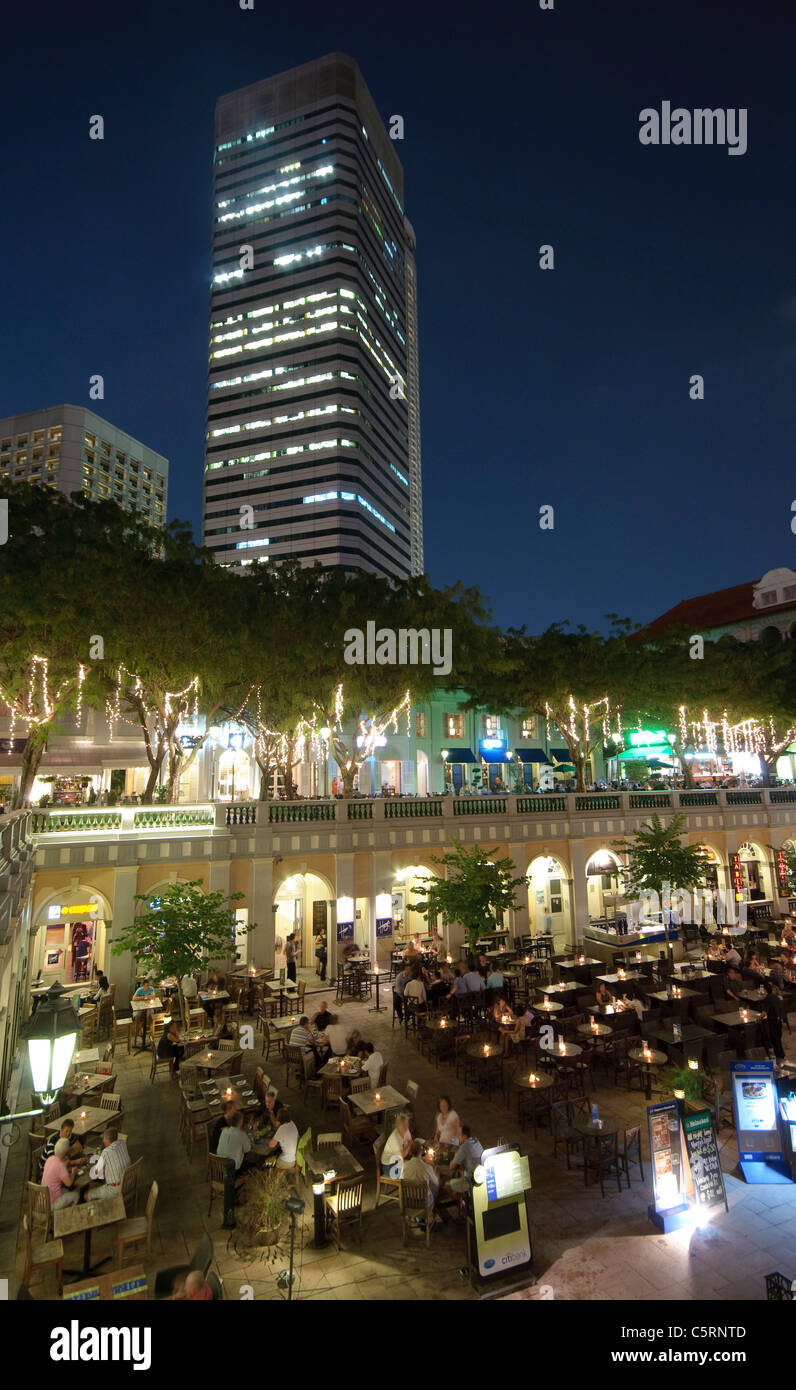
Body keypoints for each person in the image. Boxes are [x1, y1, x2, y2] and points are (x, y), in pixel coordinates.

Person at [87, 1128, 131, 1200]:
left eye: (104, 1138)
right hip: (128, 1181)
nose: (103, 1141)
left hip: (115, 1188)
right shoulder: (122, 1142)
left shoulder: (106, 1152)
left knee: (87, 1194)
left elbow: (95, 1173)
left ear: (107, 1140)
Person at [42, 1137, 81, 1209]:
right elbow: (69, 1183)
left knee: (66, 1191)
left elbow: (56, 1173)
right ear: (65, 1152)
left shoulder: (50, 1159)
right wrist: (73, 1173)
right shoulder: (60, 1165)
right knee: (76, 1195)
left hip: (44, 1198)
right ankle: (69, 1214)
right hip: (51, 1203)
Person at [402, 1140, 440, 1208]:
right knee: (434, 1188)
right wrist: (435, 1170)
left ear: (410, 1152)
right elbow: (436, 1183)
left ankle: (414, 1215)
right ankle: (432, 1211)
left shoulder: (404, 1165)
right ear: (422, 1151)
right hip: (423, 1203)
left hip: (408, 1201)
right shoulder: (427, 1167)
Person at [450, 1124, 484, 1194]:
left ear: (464, 1136)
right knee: (461, 1168)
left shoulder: (464, 1146)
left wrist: (454, 1158)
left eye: (459, 1135)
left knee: (447, 1185)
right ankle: (463, 1199)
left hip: (472, 1181)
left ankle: (462, 1202)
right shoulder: (476, 1141)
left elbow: (451, 1166)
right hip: (481, 1176)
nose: (457, 1137)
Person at [759, 980, 786, 1063]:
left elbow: (764, 1012)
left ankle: (779, 1056)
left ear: (765, 990)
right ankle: (781, 1054)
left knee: (774, 1039)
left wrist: (758, 1019)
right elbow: (781, 1008)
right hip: (779, 1021)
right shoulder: (775, 997)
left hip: (772, 1021)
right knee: (778, 1038)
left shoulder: (766, 1000)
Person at [381, 1112, 412, 1177]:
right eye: (404, 1125)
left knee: (414, 1165)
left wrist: (409, 1148)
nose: (406, 1127)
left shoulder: (406, 1130)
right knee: (410, 1171)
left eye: (407, 1124)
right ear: (398, 1126)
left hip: (398, 1160)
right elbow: (402, 1155)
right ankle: (406, 1186)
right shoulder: (395, 1138)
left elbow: (410, 1141)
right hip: (389, 1166)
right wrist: (409, 1146)